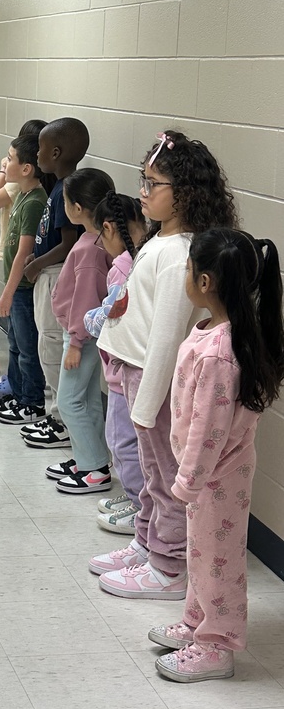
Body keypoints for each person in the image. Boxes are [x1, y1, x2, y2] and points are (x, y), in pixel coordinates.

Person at [89, 131, 239, 600]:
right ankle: (147, 543)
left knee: (165, 475)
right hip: (137, 375)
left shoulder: (178, 254)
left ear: (186, 193)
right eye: (143, 179)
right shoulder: (163, 240)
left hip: (155, 382)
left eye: (153, 183)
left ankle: (169, 567)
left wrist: (147, 405)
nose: (143, 191)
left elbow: (166, 340)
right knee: (152, 475)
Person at [149, 229, 284, 683]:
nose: (185, 277)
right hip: (209, 475)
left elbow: (210, 431)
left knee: (217, 559)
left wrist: (187, 481)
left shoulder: (220, 355)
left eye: (188, 270)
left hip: (215, 476)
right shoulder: (212, 331)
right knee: (202, 554)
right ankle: (196, 623)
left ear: (205, 282)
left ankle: (218, 645)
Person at [44, 169, 114, 493]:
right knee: (88, 399)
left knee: (71, 401)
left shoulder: (89, 249)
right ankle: (89, 455)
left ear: (76, 208)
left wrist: (74, 342)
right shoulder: (96, 240)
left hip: (81, 339)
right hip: (86, 337)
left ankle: (94, 469)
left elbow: (86, 299)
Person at [20, 118, 89, 441]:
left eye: (42, 150)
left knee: (50, 346)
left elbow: (69, 243)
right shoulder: (58, 186)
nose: (36, 156)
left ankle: (62, 419)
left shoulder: (67, 188)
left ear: (57, 152)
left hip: (54, 275)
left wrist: (36, 265)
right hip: (46, 270)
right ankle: (58, 415)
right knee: (46, 344)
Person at [84, 192, 147, 533]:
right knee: (128, 442)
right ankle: (135, 497)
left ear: (108, 228)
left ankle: (140, 507)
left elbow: (111, 315)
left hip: (125, 372)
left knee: (122, 441)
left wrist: (90, 318)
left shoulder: (122, 266)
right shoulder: (139, 257)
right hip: (129, 369)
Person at [0, 135, 48, 424]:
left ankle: (32, 402)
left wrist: (8, 292)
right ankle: (19, 393)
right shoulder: (21, 193)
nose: (5, 162)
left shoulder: (36, 200)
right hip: (16, 288)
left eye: (10, 158)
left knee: (26, 348)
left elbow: (24, 252)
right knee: (15, 345)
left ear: (26, 168)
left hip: (22, 288)